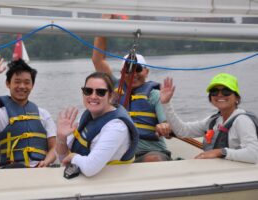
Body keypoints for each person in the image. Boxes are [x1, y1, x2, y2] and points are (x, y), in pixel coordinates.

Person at [92, 14, 172, 162]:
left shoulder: (154, 94)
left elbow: (166, 120)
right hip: (120, 152)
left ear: (146, 71)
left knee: (153, 160)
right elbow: (97, 59)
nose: (133, 74)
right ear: (122, 73)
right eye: (128, 70)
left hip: (148, 151)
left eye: (138, 69)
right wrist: (104, 23)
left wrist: (165, 125)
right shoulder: (114, 86)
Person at [0, 55, 57, 168]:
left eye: (27, 82)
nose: (22, 86)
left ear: (32, 85)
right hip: (11, 171)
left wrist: (46, 162)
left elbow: (54, 148)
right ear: (8, 84)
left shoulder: (44, 114)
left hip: (40, 170)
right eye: (17, 82)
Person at [158, 73, 258, 163]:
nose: (219, 94)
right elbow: (182, 131)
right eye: (214, 91)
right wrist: (166, 103)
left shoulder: (242, 120)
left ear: (237, 98)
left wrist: (220, 152)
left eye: (226, 91)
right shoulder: (213, 121)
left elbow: (253, 154)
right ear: (210, 98)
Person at [56, 72, 138, 177]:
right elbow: (63, 158)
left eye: (100, 92)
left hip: (109, 184)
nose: (93, 96)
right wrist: (61, 137)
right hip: (83, 181)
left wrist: (73, 157)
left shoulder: (117, 127)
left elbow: (89, 168)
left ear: (111, 96)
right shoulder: (86, 116)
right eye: (88, 91)